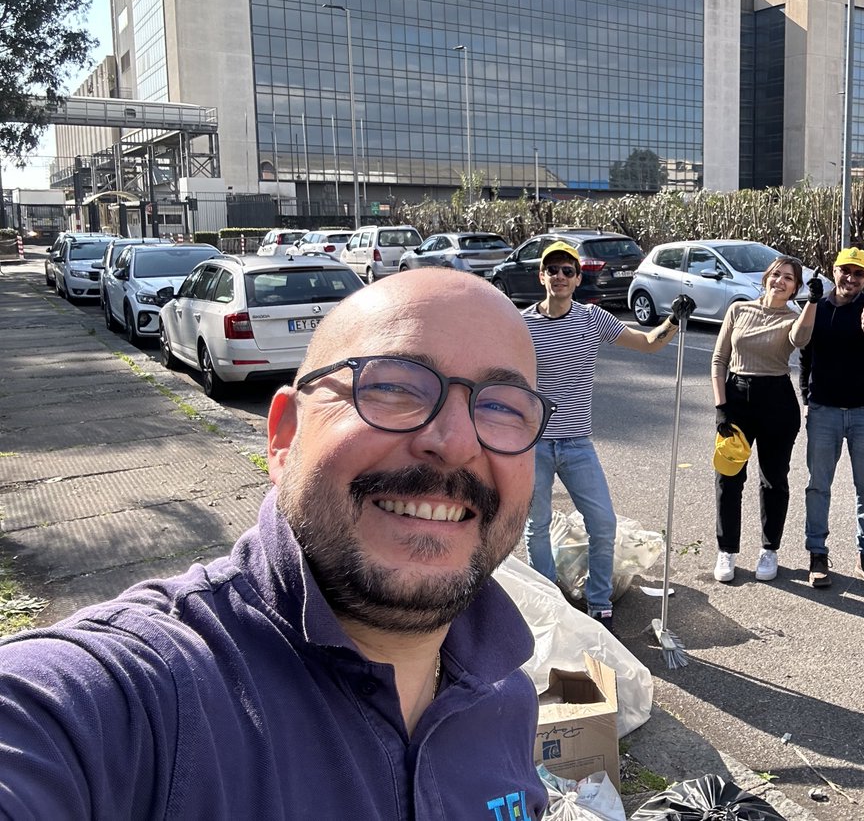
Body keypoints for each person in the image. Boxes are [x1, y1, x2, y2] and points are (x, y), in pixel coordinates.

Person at [0, 270, 554, 818]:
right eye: (392, 387)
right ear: (284, 437)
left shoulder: (506, 694)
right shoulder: (135, 701)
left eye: (502, 407)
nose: (456, 443)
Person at [523, 241, 693, 631]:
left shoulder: (591, 319)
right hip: (535, 444)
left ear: (578, 278)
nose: (560, 277)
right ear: (542, 276)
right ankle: (549, 600)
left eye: (568, 270)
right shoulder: (523, 324)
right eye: (553, 270)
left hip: (578, 443)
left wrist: (672, 319)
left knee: (603, 523)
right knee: (537, 524)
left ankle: (599, 602)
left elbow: (648, 344)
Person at [794, 246, 864, 591]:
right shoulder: (817, 309)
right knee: (818, 486)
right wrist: (806, 399)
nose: (850, 278)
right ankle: (817, 555)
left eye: (859, 273)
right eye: (845, 271)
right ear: (833, 270)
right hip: (823, 411)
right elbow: (804, 355)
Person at [710, 255, 807, 583]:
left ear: (795, 288)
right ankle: (727, 549)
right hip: (736, 398)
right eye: (776, 274)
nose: (780, 281)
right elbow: (719, 359)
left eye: (789, 278)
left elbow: (801, 339)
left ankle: (770, 548)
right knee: (728, 477)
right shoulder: (739, 310)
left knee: (773, 479)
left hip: (777, 401)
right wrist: (721, 406)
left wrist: (814, 304)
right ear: (766, 277)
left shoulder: (793, 317)